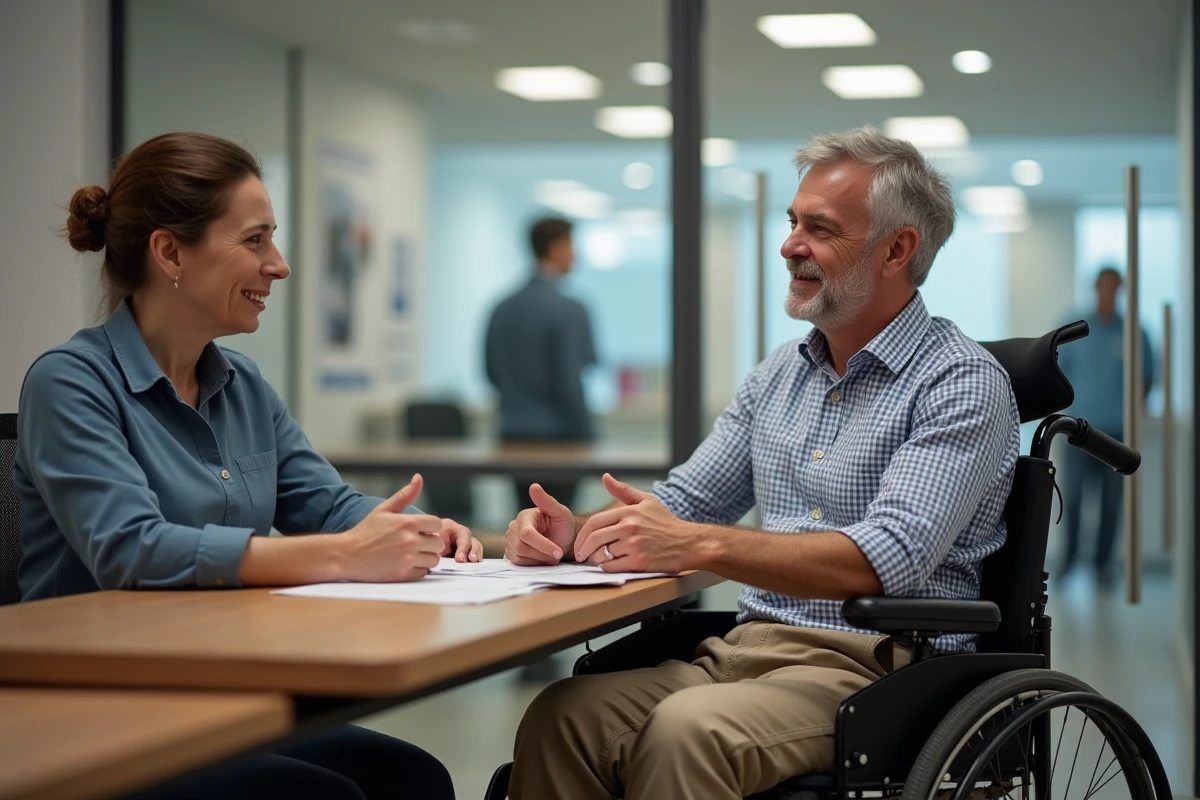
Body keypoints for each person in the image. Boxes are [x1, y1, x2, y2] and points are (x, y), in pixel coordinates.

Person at [502, 126, 1021, 800]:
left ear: (897, 249)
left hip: (878, 672)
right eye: (792, 222)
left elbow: (887, 557)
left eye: (820, 228)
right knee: (562, 717)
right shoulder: (781, 373)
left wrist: (704, 545)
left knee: (688, 730)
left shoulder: (959, 382)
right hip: (746, 651)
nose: (790, 246)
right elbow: (682, 504)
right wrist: (577, 534)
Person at [13, 132, 474, 799]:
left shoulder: (243, 386)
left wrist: (417, 530)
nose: (278, 265)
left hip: (212, 685)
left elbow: (328, 505)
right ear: (170, 252)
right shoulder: (70, 384)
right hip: (96, 707)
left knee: (415, 779)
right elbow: (131, 550)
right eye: (255, 240)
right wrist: (344, 556)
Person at [485, 217, 597, 512]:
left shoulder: (502, 308)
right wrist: (588, 437)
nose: (575, 255)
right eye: (572, 246)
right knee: (560, 527)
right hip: (560, 442)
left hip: (512, 438)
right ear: (556, 248)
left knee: (524, 520)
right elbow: (569, 383)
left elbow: (491, 373)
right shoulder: (570, 310)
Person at [1055, 266, 1153, 587]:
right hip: (1077, 433)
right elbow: (1055, 372)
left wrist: (1132, 409)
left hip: (1117, 433)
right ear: (1095, 288)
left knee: (1111, 503)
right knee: (1073, 496)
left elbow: (1147, 378)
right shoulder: (1075, 328)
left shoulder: (1135, 333)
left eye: (1115, 287)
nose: (1109, 292)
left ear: (1121, 290)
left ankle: (1101, 566)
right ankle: (1069, 561)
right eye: (1104, 286)